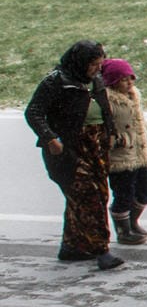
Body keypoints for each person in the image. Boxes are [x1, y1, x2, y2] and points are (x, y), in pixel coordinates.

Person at [24, 40, 122, 270]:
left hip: (96, 145)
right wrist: (50, 138)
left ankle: (72, 247)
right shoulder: (56, 81)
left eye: (100, 64)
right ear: (80, 63)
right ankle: (102, 250)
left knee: (96, 195)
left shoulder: (94, 80)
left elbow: (104, 107)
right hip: (68, 148)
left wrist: (111, 132)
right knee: (88, 197)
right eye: (93, 64)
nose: (98, 69)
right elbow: (33, 112)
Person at [100, 58, 147, 247]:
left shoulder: (134, 95)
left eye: (131, 78)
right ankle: (123, 229)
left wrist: (145, 129)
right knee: (124, 193)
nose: (129, 83)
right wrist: (118, 140)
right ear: (112, 81)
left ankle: (133, 220)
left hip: (140, 154)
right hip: (120, 157)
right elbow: (103, 129)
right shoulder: (107, 100)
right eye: (124, 79)